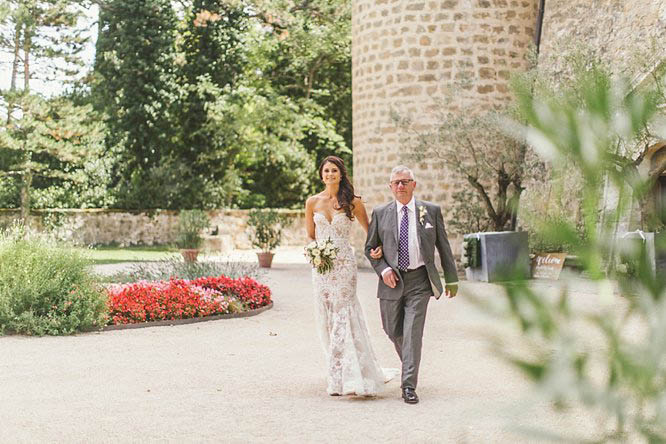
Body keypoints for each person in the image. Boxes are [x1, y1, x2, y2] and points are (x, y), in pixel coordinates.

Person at [364, 165, 458, 404]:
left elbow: (444, 247)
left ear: (414, 184)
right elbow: (370, 248)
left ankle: (408, 386)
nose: (400, 186)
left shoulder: (431, 211)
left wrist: (452, 279)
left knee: (413, 333)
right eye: (396, 182)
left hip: (419, 281)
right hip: (391, 281)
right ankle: (409, 363)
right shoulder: (380, 213)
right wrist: (383, 269)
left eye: (405, 181)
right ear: (390, 187)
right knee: (392, 330)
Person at [305, 155, 393, 396]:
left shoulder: (353, 202)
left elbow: (370, 232)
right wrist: (316, 252)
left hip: (344, 264)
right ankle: (339, 366)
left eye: (334, 170)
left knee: (344, 312)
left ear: (341, 174)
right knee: (328, 315)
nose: (330, 174)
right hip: (322, 268)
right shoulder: (312, 202)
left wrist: (377, 250)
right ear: (321, 175)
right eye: (326, 171)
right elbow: (311, 236)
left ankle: (340, 377)